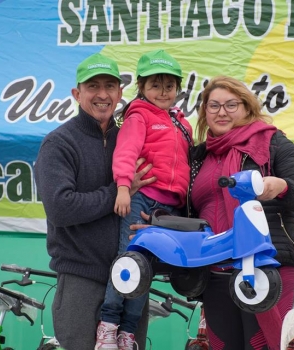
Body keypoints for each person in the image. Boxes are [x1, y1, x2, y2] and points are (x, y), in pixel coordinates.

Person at [188, 76, 294, 350]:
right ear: (204, 112)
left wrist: (282, 186)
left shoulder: (274, 144)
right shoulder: (198, 156)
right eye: (213, 106)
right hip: (215, 272)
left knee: (264, 345)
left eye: (230, 105)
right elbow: (186, 208)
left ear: (247, 108)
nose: (221, 112)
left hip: (267, 268)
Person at [34, 53, 154, 350]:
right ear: (77, 94)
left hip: (131, 276)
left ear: (119, 93)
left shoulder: (133, 138)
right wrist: (118, 192)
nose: (102, 94)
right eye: (93, 86)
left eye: (110, 86)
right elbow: (61, 208)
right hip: (81, 280)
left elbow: (154, 191)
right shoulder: (59, 143)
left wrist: (156, 220)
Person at [95, 49, 193, 350]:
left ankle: (127, 333)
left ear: (178, 88)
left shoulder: (181, 123)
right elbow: (125, 152)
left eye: (169, 86)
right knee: (128, 260)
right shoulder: (139, 115)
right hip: (141, 201)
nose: (162, 92)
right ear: (141, 86)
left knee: (146, 269)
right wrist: (124, 188)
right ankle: (108, 326)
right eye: (155, 85)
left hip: (169, 211)